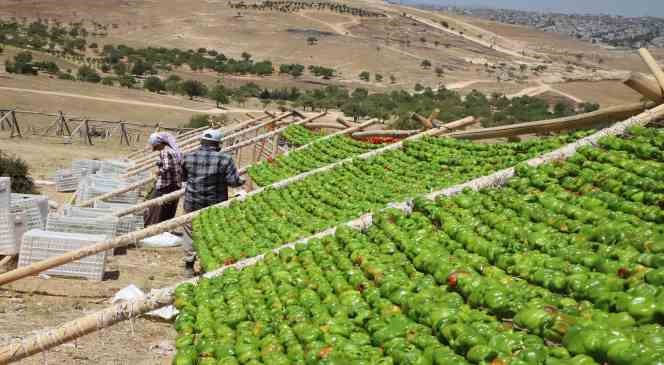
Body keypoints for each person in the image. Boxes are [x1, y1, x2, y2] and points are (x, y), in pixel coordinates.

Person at [180, 129, 245, 275]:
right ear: (218, 144)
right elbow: (233, 182)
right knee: (212, 231)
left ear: (201, 142)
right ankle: (207, 264)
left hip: (192, 201)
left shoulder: (188, 157)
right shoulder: (225, 159)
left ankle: (189, 264)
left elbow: (183, 178)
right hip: (215, 204)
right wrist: (242, 181)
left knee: (190, 231)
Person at [143, 132, 183, 226]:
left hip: (166, 185)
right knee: (167, 209)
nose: (155, 149)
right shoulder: (173, 150)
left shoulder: (165, 151)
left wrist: (158, 172)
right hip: (175, 184)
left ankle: (153, 228)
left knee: (155, 208)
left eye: (156, 146)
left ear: (160, 144)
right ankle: (164, 228)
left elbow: (167, 167)